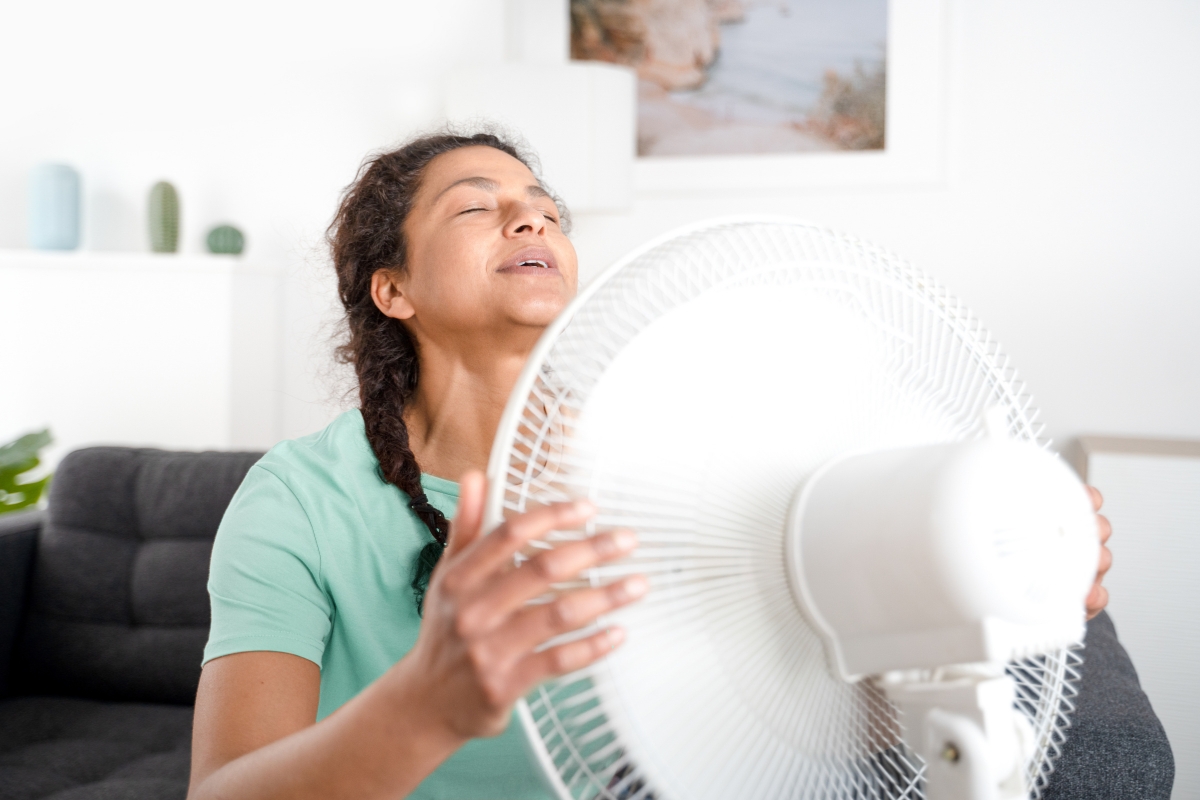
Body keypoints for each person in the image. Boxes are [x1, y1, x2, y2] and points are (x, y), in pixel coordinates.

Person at [187, 131, 1114, 800]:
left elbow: (820, 684)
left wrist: (978, 580)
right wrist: (426, 707)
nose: (531, 218)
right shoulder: (298, 501)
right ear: (393, 289)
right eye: (480, 205)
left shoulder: (686, 463)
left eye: (547, 211)